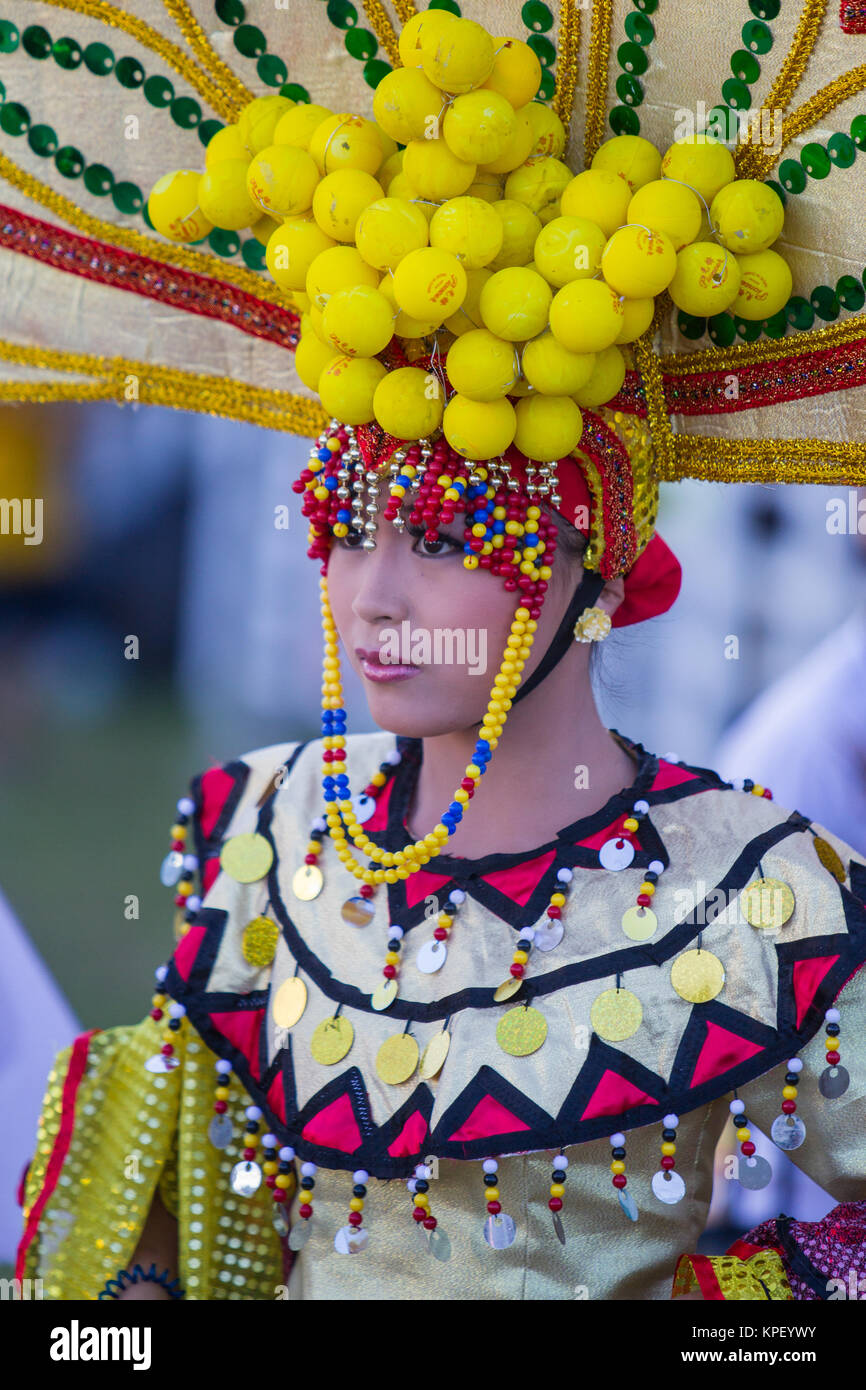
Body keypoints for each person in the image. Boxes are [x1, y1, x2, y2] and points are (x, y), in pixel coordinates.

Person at [16, 423, 866, 1301]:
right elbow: (177, 1171)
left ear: (600, 570)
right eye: (346, 532)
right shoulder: (270, 825)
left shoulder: (743, 879)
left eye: (440, 540)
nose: (374, 598)